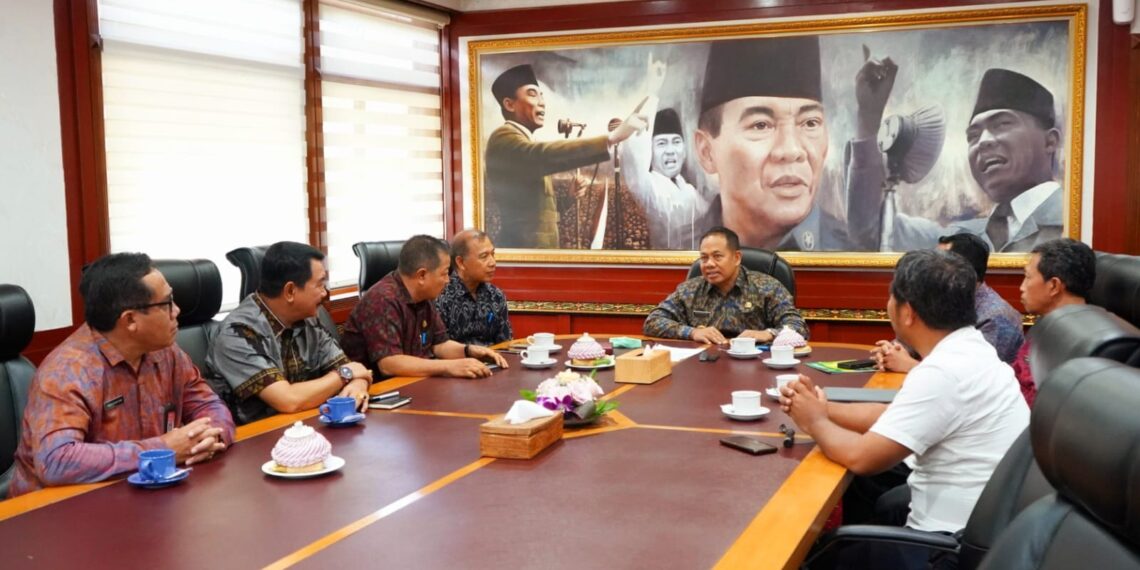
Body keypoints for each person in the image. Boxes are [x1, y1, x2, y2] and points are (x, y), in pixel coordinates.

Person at [780, 249, 1029, 568]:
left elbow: (862, 457)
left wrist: (813, 421)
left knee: (818, 558)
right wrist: (823, 408)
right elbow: (892, 417)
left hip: (945, 548)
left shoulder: (943, 372)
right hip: (984, 531)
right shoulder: (967, 349)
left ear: (907, 312)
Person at [8, 253, 234, 497]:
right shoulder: (68, 371)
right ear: (130, 320)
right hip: (55, 513)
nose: (177, 310)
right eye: (167, 303)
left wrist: (211, 436)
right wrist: (163, 448)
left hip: (141, 495)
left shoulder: (166, 352)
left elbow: (209, 404)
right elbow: (57, 461)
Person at [848, 67, 1063, 253]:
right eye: (973, 136)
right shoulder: (963, 237)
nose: (983, 142)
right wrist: (868, 119)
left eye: (1002, 124)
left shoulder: (1073, 223)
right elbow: (873, 231)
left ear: (1050, 141)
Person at [693, 35, 844, 251]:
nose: (791, 150)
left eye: (810, 123)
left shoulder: (849, 250)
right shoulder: (678, 247)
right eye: (761, 125)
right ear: (706, 152)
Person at [206, 242, 372, 425]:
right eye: (320, 284)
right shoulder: (238, 333)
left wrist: (358, 384)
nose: (325, 293)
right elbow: (288, 400)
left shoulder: (308, 320)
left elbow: (352, 370)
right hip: (256, 440)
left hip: (305, 427)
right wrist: (346, 375)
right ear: (290, 291)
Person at [484, 63, 646, 249]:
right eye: (532, 93)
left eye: (542, 95)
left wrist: (569, 197)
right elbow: (542, 155)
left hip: (538, 256)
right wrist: (610, 139)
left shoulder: (524, 143)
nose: (542, 102)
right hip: (524, 254)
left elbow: (540, 213)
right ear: (509, 104)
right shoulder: (503, 139)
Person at [341, 235, 509, 379]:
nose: (448, 280)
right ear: (422, 275)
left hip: (414, 382)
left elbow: (439, 345)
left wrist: (470, 351)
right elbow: (389, 364)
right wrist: (449, 367)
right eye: (444, 273)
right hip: (378, 392)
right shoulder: (382, 299)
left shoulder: (424, 297)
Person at [872, 233, 1024, 372]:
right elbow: (916, 339)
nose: (930, 266)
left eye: (940, 260)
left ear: (960, 269)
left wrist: (910, 366)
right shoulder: (941, 297)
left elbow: (969, 377)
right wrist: (891, 351)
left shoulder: (997, 317)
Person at [643, 226, 808, 344]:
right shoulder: (690, 290)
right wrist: (692, 332)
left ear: (736, 258)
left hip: (755, 366)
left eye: (717, 256)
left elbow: (799, 328)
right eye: (704, 258)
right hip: (703, 368)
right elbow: (653, 322)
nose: (709, 264)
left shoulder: (767, 287)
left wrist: (768, 334)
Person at [618, 56, 709, 250]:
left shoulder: (690, 192)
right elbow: (634, 151)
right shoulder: (647, 186)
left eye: (676, 142)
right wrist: (652, 91)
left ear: (685, 148)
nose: (670, 151)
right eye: (661, 143)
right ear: (650, 149)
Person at [1013, 237, 1096, 405]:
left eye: (1028, 277)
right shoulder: (1046, 325)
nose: (1022, 287)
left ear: (1054, 286)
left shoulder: (1074, 345)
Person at [435, 229, 513, 346]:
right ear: (461, 262)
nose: (492, 263)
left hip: (493, 361)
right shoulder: (441, 296)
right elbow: (438, 348)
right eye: (484, 256)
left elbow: (505, 343)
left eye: (492, 254)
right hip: (454, 362)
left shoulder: (495, 295)